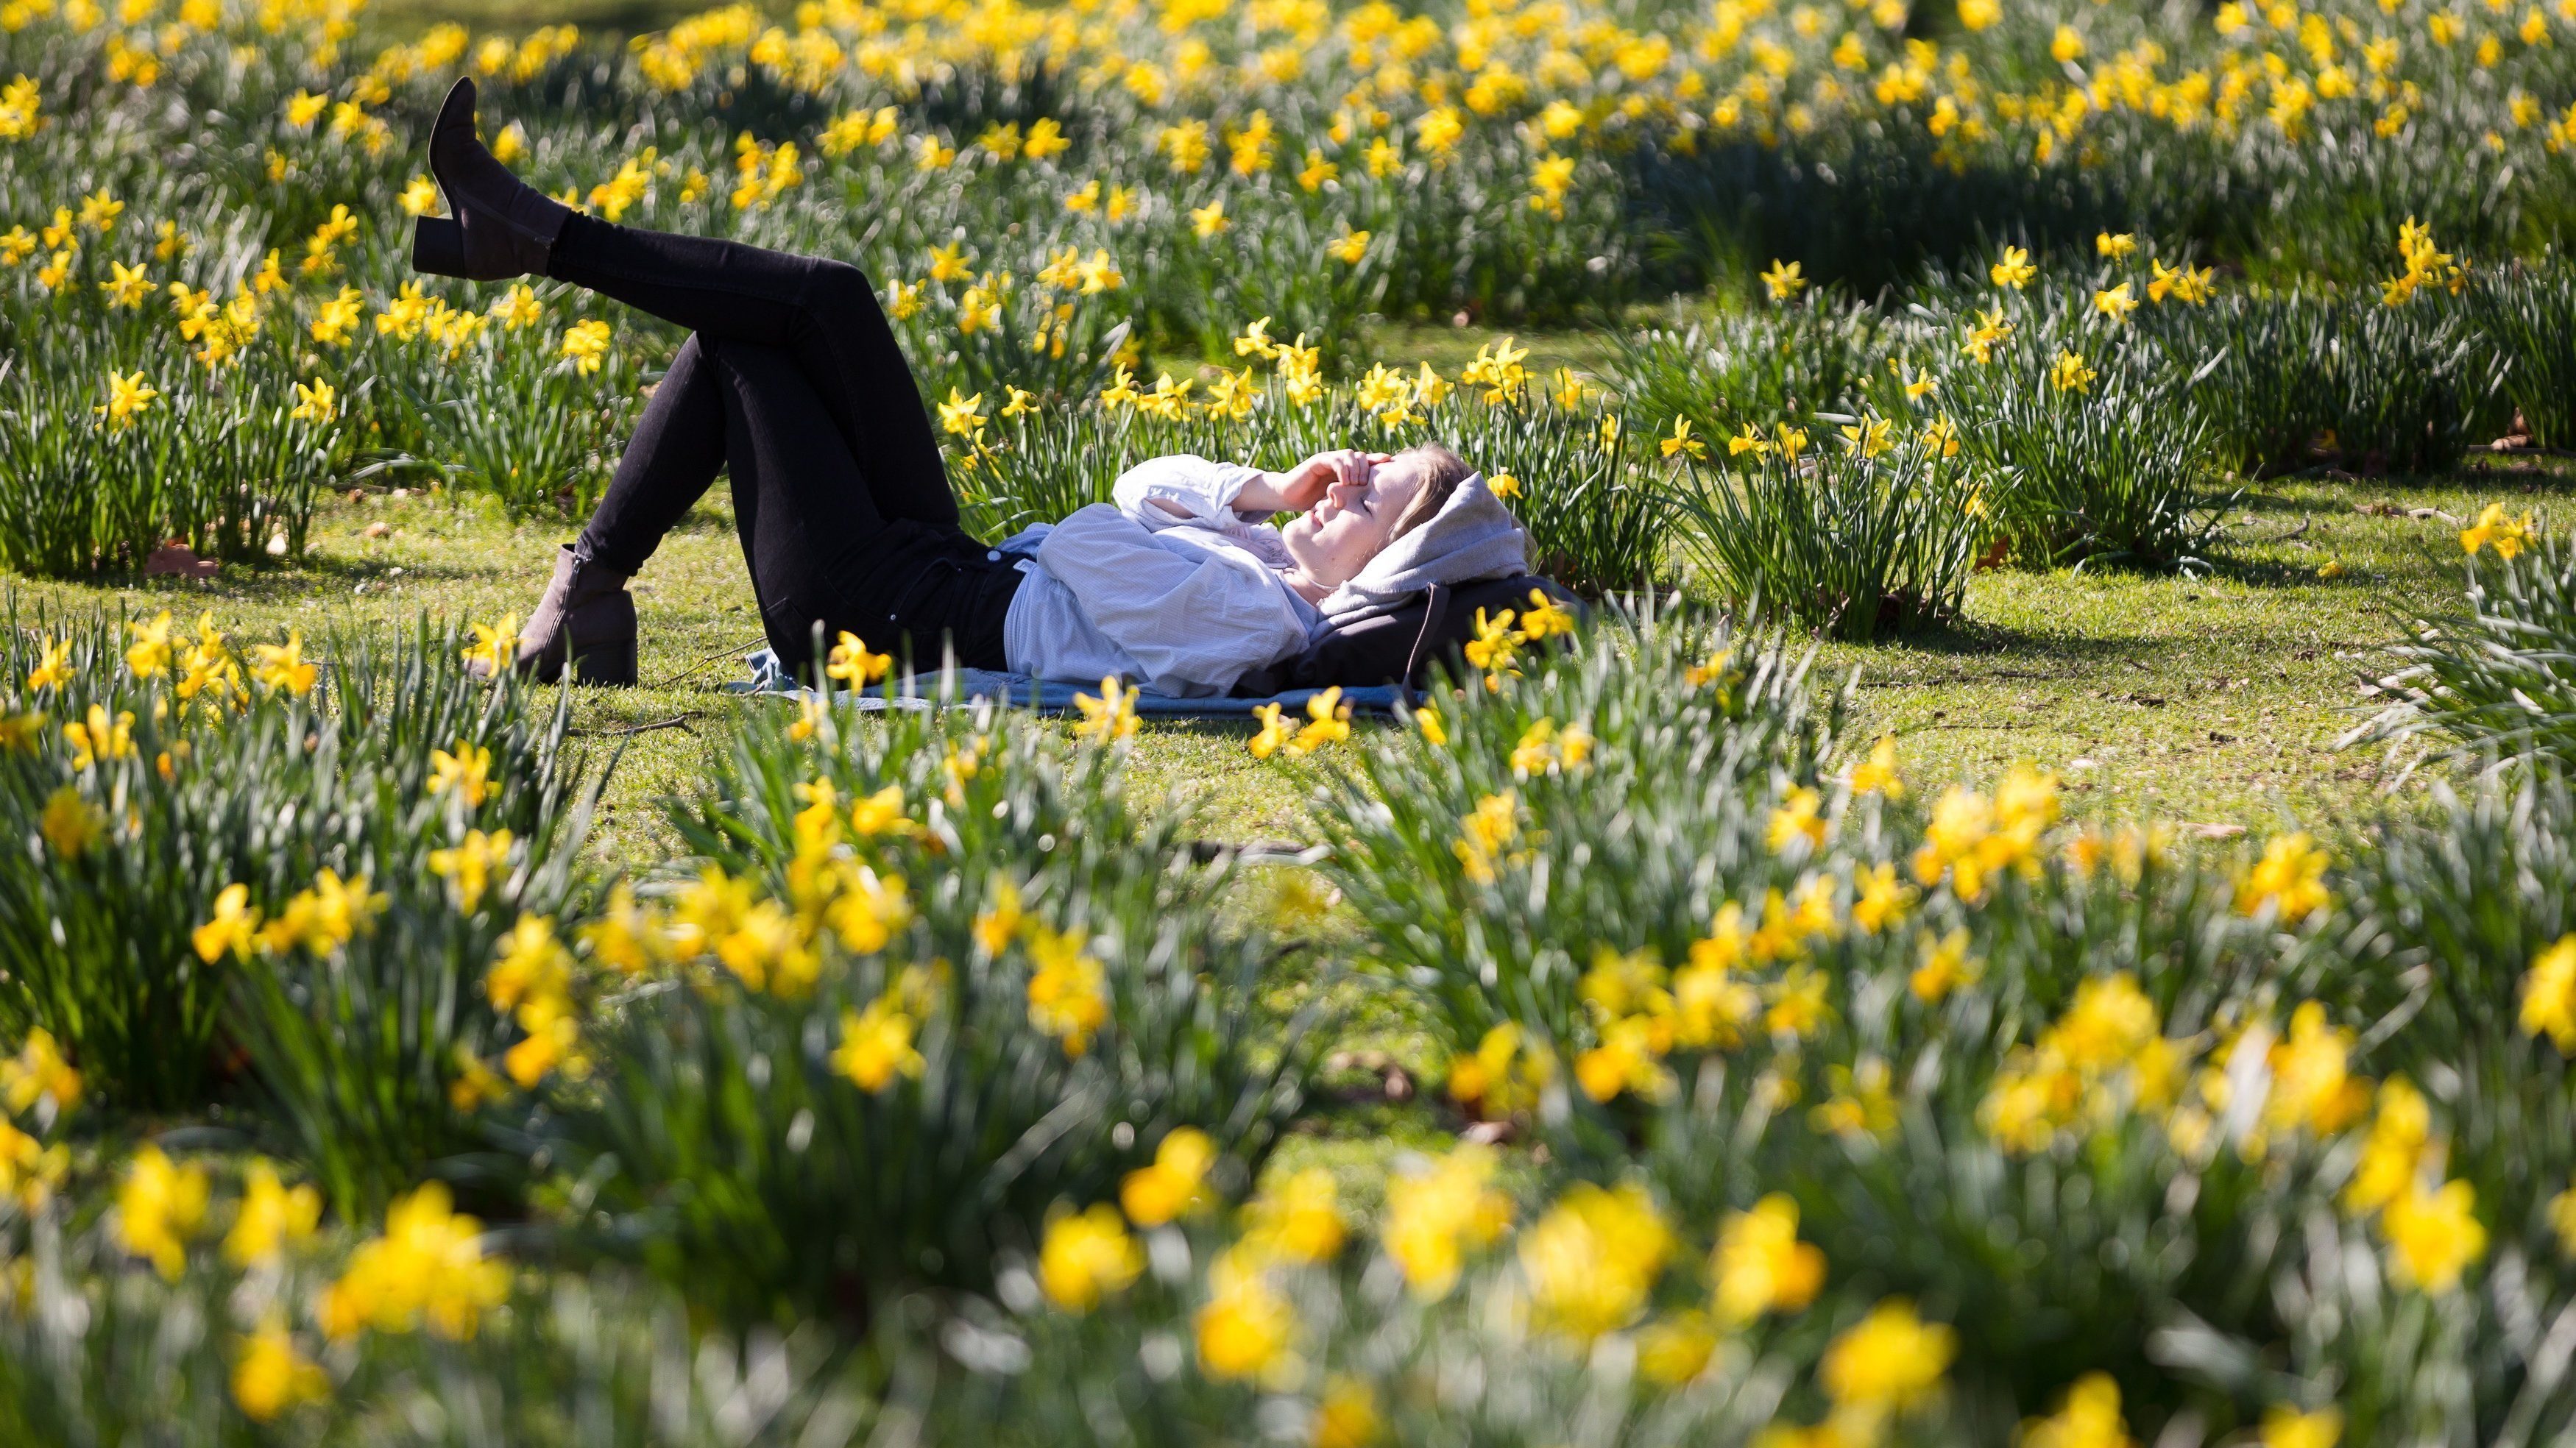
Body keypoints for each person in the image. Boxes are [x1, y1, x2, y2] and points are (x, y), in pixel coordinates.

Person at [412, 78, 1529, 696]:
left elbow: (1098, 533)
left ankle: (535, 262)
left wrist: (1251, 545)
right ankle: (539, 244)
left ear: (1381, 568)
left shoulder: (1256, 612)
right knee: (826, 299)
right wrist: (1265, 496)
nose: (1351, 477)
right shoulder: (1263, 556)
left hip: (879, 621)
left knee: (737, 345)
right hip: (944, 572)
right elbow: (1145, 482)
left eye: (1373, 496)